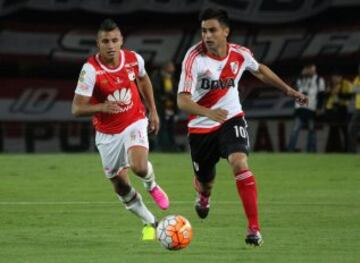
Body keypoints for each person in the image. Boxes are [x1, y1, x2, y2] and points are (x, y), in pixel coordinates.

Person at [177, 8, 308, 247]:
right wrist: (208, 112)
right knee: (206, 181)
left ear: (226, 31)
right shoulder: (194, 58)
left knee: (239, 162)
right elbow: (182, 100)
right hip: (201, 127)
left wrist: (288, 91)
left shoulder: (240, 54)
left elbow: (260, 71)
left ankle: (254, 229)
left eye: (212, 30)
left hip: (231, 118)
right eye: (204, 30)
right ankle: (203, 195)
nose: (207, 35)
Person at [71, 19, 169, 241]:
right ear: (98, 43)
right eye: (105, 41)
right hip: (107, 133)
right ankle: (150, 222)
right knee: (120, 186)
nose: (110, 45)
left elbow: (143, 80)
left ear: (121, 40)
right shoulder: (91, 70)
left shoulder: (134, 59)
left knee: (139, 166)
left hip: (134, 120)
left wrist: (153, 110)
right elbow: (76, 108)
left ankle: (151, 185)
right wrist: (101, 107)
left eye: (115, 40)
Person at [287, 64, 325, 152]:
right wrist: (300, 74)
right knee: (295, 130)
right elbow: (291, 86)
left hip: (312, 108)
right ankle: (289, 150)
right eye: (308, 69)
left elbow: (321, 95)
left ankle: (311, 151)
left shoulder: (319, 80)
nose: (310, 71)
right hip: (299, 108)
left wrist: (319, 107)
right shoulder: (300, 78)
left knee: (312, 130)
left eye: (311, 69)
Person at [151, 61, 178, 151]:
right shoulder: (157, 78)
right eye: (171, 67)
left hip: (170, 108)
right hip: (160, 108)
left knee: (171, 128)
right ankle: (160, 147)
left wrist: (172, 97)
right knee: (161, 127)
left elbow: (176, 92)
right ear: (165, 68)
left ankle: (172, 147)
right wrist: (164, 97)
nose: (173, 69)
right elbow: (155, 92)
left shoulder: (172, 79)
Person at [324, 72, 353, 152]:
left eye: (337, 77)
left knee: (345, 130)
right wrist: (328, 92)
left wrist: (338, 94)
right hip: (332, 110)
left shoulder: (346, 84)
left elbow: (349, 96)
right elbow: (325, 97)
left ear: (341, 77)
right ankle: (332, 150)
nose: (335, 79)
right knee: (332, 131)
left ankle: (348, 150)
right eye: (333, 77)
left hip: (342, 109)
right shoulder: (330, 85)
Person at [348, 64, 360, 153]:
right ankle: (352, 152)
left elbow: (355, 89)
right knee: (352, 129)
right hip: (358, 108)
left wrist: (356, 89)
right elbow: (352, 90)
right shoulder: (357, 79)